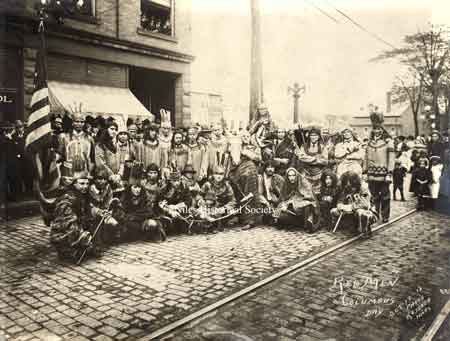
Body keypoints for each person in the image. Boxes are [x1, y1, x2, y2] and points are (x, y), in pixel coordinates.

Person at [50, 165, 116, 262]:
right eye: (81, 183)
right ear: (74, 184)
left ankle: (89, 246)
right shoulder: (66, 200)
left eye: (87, 183)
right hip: (65, 234)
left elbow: (88, 210)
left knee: (97, 220)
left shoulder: (83, 196)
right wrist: (82, 235)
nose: (85, 186)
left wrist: (98, 212)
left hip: (78, 227)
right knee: (76, 253)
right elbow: (68, 224)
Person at [117, 165, 166, 242]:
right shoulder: (126, 196)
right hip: (130, 223)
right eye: (135, 187)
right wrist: (128, 216)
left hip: (142, 221)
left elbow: (149, 211)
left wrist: (135, 216)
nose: (137, 190)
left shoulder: (144, 195)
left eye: (139, 187)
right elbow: (120, 211)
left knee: (152, 224)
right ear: (130, 187)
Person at [364, 111, 395, 223]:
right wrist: (365, 171)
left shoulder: (388, 142)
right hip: (372, 174)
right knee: (374, 196)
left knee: (385, 195)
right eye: (375, 129)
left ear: (382, 130)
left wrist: (389, 173)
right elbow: (366, 157)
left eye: (379, 129)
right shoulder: (369, 142)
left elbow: (391, 158)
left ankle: (385, 215)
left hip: (384, 174)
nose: (376, 131)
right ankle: (375, 213)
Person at [229, 130, 262, 229]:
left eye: (247, 136)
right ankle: (241, 217)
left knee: (250, 193)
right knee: (239, 193)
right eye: (243, 136)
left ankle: (250, 220)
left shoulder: (255, 147)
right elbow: (234, 160)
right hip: (239, 173)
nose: (245, 138)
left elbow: (259, 158)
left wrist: (248, 153)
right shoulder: (237, 146)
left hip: (250, 173)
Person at [331, 171, 377, 238]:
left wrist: (351, 207)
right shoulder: (346, 187)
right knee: (333, 211)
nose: (349, 186)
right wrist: (340, 205)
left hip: (367, 211)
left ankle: (365, 229)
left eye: (350, 184)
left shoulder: (363, 187)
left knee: (361, 213)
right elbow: (341, 199)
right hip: (350, 210)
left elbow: (365, 204)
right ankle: (348, 227)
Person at [273, 167, 318, 233]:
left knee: (307, 206)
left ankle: (306, 225)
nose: (292, 177)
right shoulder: (286, 184)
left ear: (296, 175)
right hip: (292, 210)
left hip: (303, 207)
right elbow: (282, 198)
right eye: (289, 175)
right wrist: (283, 205)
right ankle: (297, 223)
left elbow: (309, 196)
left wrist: (293, 201)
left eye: (293, 175)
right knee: (280, 217)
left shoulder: (303, 182)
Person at [295, 127, 329, 196]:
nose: (313, 137)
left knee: (318, 193)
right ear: (309, 136)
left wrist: (309, 160)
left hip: (319, 173)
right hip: (306, 173)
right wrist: (315, 159)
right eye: (311, 135)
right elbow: (301, 157)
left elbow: (325, 161)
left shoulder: (322, 147)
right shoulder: (304, 146)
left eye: (315, 135)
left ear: (319, 137)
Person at [157, 170, 192, 234]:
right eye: (174, 181)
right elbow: (160, 202)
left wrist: (176, 207)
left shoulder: (184, 187)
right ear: (170, 181)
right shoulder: (165, 189)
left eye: (178, 180)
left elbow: (189, 201)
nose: (177, 183)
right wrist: (169, 211)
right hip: (167, 210)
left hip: (180, 209)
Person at [95, 119, 123, 192]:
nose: (114, 131)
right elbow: (100, 163)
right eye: (112, 129)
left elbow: (122, 162)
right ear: (106, 130)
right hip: (105, 179)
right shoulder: (100, 145)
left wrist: (119, 175)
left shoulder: (117, 145)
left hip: (117, 179)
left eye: (116, 130)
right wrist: (111, 175)